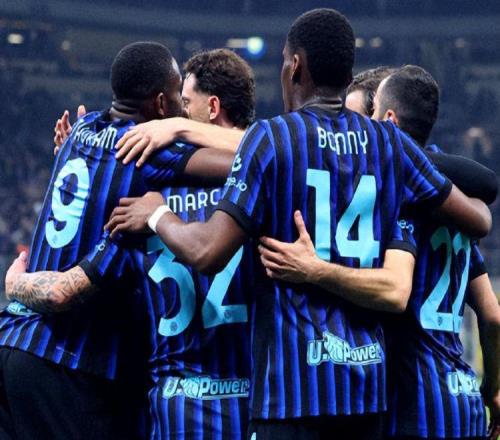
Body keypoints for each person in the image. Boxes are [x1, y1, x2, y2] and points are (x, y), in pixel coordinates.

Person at [103, 8, 491, 440]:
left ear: (295, 66)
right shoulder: (388, 144)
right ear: (348, 74)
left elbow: (208, 252)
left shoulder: (272, 139)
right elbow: (478, 218)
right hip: (367, 391)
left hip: (293, 392)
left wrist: (158, 214)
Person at [6, 48, 257, 440]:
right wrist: (178, 132)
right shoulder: (148, 155)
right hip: (69, 362)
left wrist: (15, 285)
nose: (180, 112)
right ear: (160, 103)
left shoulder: (82, 130)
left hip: (15, 340)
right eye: (177, 101)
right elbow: (261, 157)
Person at [255, 65, 499, 440]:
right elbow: (492, 316)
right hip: (463, 399)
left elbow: (395, 290)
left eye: (362, 120)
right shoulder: (452, 200)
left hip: (414, 405)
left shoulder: (402, 196)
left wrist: (315, 269)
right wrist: (492, 388)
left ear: (387, 121)